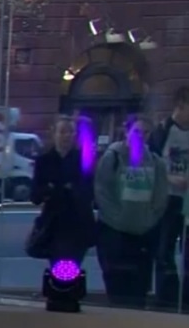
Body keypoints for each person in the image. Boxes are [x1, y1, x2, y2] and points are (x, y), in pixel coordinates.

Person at [94, 114, 168, 308]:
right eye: (137, 132)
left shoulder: (156, 162)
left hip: (143, 233)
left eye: (146, 132)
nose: (141, 136)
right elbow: (102, 192)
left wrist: (149, 218)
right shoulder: (113, 157)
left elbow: (161, 195)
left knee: (139, 291)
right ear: (127, 132)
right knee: (117, 288)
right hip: (114, 232)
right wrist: (118, 218)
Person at [26, 116, 96, 266]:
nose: (67, 136)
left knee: (70, 270)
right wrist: (53, 189)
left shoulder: (84, 160)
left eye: (71, 132)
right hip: (54, 226)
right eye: (63, 132)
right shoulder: (44, 161)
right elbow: (35, 195)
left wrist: (62, 188)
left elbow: (89, 191)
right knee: (59, 270)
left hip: (78, 225)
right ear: (54, 134)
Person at [148, 86, 189, 308]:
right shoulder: (163, 131)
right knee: (165, 249)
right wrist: (171, 179)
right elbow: (150, 164)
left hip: (187, 201)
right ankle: (167, 298)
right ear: (180, 105)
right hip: (168, 198)